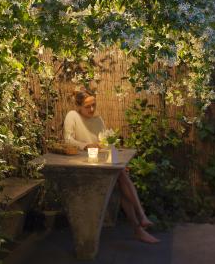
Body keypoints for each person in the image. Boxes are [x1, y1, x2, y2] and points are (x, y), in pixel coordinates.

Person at [63, 88, 160, 244]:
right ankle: (141, 219)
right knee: (121, 177)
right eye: (87, 106)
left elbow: (105, 143)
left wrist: (115, 160)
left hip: (100, 163)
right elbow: (68, 140)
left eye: (94, 105)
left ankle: (139, 226)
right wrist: (86, 145)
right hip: (82, 166)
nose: (92, 109)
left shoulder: (98, 120)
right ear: (79, 106)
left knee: (121, 175)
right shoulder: (72, 116)